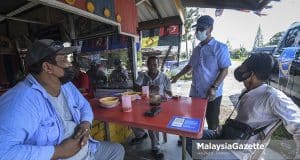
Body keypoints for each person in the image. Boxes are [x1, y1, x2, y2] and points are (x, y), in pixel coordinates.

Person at [0, 39, 125, 160]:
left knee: (117, 150)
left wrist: (85, 124)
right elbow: (3, 153)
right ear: (47, 67)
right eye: (64, 59)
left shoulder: (65, 85)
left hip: (89, 150)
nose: (70, 64)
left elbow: (84, 105)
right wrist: (58, 151)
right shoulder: (19, 101)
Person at [186, 54, 300, 159]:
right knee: (190, 136)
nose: (239, 70)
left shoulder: (273, 97)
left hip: (241, 151)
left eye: (243, 69)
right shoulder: (247, 91)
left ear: (251, 75)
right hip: (229, 137)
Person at [171, 15, 231, 130]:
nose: (198, 32)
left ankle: (212, 146)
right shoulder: (197, 49)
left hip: (212, 94)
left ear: (211, 29)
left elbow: (225, 70)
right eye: (197, 29)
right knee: (194, 119)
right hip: (195, 92)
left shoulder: (220, 48)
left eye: (202, 29)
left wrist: (214, 87)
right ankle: (192, 141)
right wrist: (177, 77)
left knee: (212, 122)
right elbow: (190, 66)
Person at [131, 56, 172, 159]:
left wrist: (166, 94)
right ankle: (140, 134)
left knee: (152, 121)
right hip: (142, 104)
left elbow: (170, 94)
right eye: (150, 64)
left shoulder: (164, 77)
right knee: (130, 114)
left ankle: (156, 147)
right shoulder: (142, 75)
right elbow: (135, 87)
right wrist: (148, 88)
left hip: (159, 105)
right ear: (147, 65)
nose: (152, 67)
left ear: (158, 65)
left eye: (155, 64)